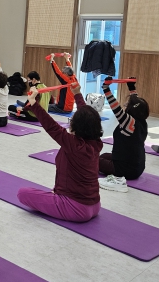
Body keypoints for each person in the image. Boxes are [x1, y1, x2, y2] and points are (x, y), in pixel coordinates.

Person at [17, 82, 102, 222]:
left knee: (22, 193)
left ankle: (58, 197)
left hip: (76, 208)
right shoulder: (95, 142)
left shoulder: (74, 145)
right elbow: (87, 117)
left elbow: (52, 127)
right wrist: (77, 93)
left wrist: (33, 103)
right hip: (94, 205)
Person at [97, 77, 149, 193]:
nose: (125, 105)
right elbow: (137, 102)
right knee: (104, 155)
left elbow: (115, 108)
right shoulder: (142, 122)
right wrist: (131, 87)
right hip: (137, 167)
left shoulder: (129, 122)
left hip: (126, 170)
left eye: (127, 105)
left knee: (94, 160)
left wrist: (106, 88)